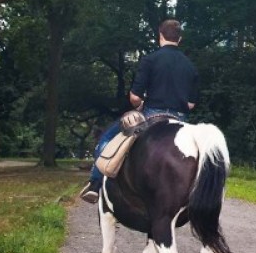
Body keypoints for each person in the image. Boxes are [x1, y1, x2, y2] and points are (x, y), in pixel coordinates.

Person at [80, 18, 200, 203]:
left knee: (107, 138)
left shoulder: (150, 60)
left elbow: (134, 97)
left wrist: (140, 104)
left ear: (160, 35)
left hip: (152, 114)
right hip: (180, 119)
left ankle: (95, 184)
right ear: (180, 39)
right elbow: (191, 104)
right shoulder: (190, 66)